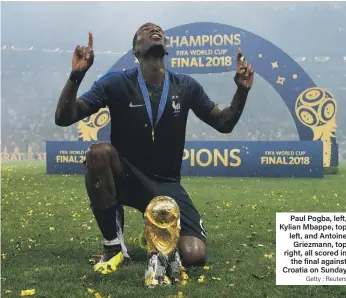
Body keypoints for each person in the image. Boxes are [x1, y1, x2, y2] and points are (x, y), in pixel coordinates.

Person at [55, 23, 254, 275]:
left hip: (167, 183)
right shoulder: (116, 83)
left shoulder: (186, 86)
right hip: (126, 176)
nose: (154, 31)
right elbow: (64, 117)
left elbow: (224, 123)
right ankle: (113, 247)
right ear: (136, 50)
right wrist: (76, 76)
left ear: (166, 48)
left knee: (194, 255)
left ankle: (155, 228)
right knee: (99, 153)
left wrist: (242, 91)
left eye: (159, 30)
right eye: (145, 31)